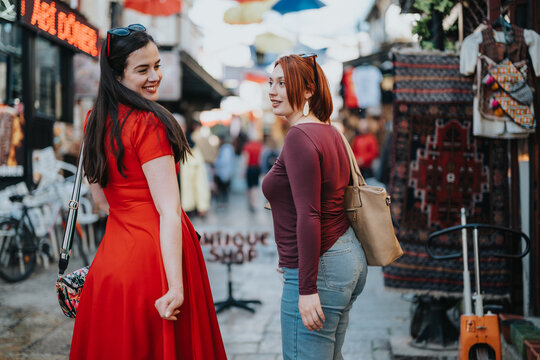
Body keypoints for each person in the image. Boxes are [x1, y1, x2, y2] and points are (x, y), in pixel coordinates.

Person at [71, 24, 227, 359]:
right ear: (117, 75)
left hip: (113, 256)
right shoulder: (149, 122)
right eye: (142, 69)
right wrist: (176, 285)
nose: (155, 76)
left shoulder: (93, 120)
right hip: (158, 257)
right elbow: (169, 210)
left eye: (157, 65)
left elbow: (101, 201)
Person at [262, 54, 368, 359]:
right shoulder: (330, 131)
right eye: (271, 82)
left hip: (321, 267)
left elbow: (309, 215)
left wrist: (306, 289)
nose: (272, 90)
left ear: (308, 91)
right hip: (345, 256)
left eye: (283, 83)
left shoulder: (298, 136)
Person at [350, 108, 379, 179]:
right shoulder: (357, 139)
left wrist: (363, 160)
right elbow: (353, 151)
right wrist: (356, 159)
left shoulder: (371, 138)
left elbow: (374, 153)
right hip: (358, 167)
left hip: (367, 168)